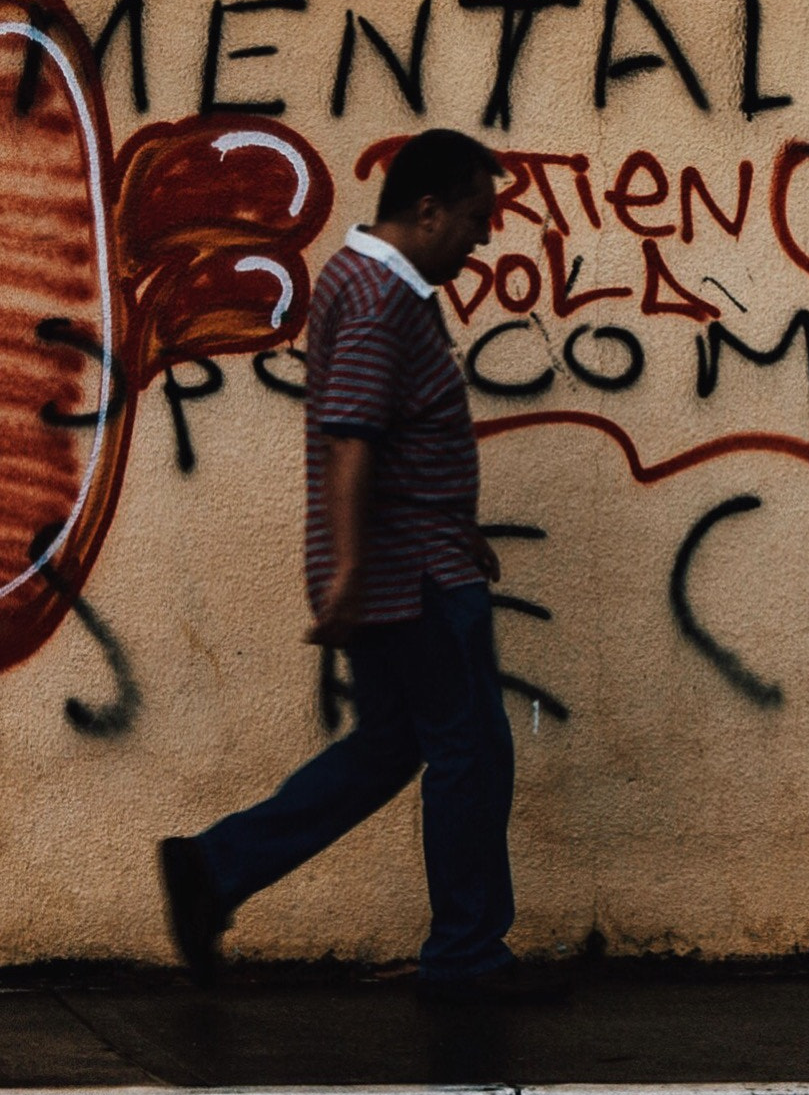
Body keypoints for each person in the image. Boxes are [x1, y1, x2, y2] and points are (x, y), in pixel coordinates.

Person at [160, 129, 550, 1006]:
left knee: (389, 749)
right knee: (471, 750)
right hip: (409, 578)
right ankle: (467, 958)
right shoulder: (379, 297)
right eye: (477, 220)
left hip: (414, 558)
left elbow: (390, 435)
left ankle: (213, 869)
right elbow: (350, 440)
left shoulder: (367, 281)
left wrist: (457, 525)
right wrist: (346, 574)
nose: (483, 240)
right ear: (428, 209)